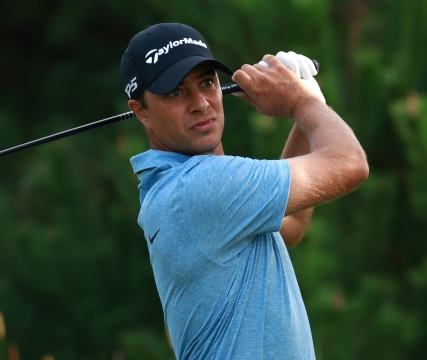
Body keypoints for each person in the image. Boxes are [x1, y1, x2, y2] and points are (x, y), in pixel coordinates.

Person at [120, 23, 368, 359]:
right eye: (175, 92)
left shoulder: (174, 186)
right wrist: (303, 104)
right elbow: (352, 163)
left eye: (206, 83)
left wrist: (306, 109)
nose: (200, 103)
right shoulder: (201, 186)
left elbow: (290, 225)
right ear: (141, 112)